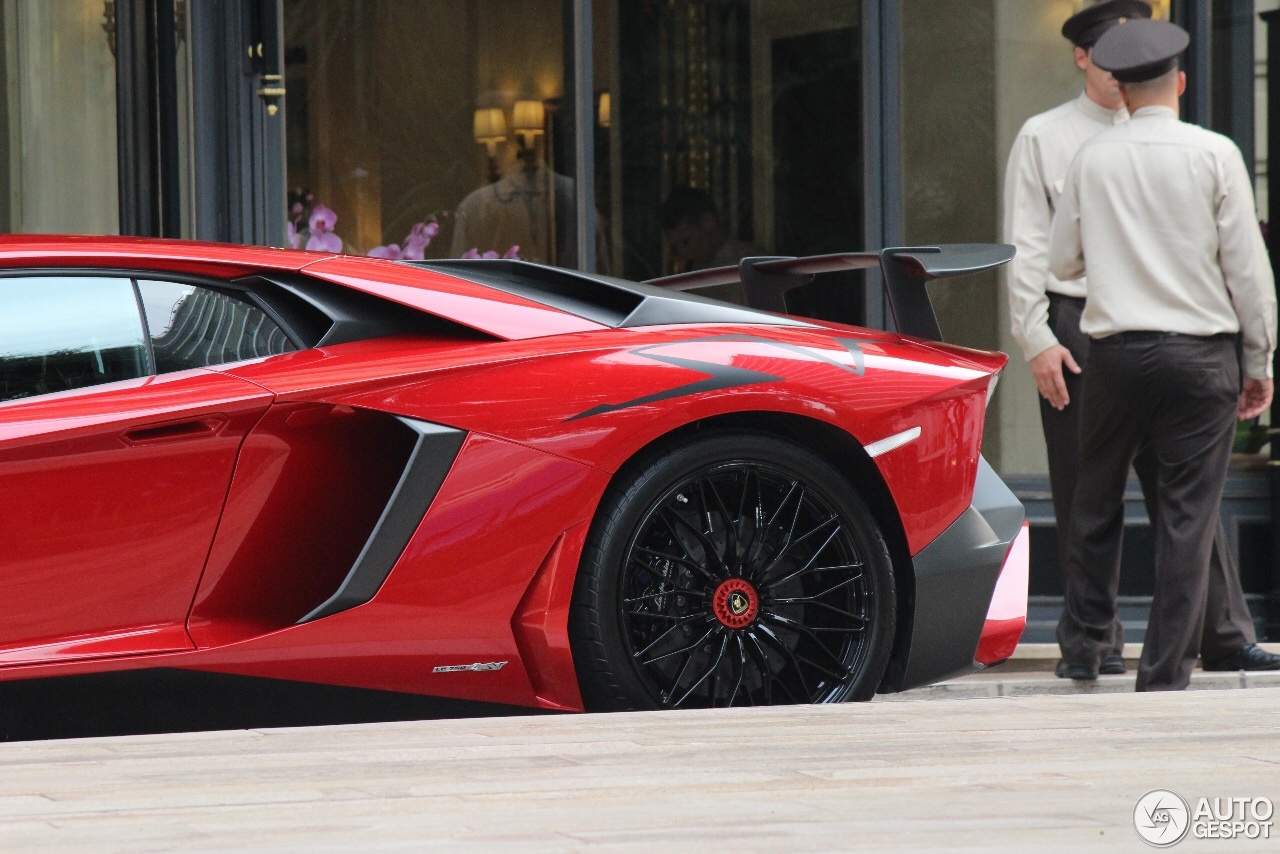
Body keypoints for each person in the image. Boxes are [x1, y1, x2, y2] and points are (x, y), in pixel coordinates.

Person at [1003, 0, 1280, 680]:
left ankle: (1215, 631)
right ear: (1085, 59)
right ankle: (1107, 645)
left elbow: (1061, 252)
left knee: (1131, 500)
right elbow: (1025, 251)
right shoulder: (1051, 137)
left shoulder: (1102, 155)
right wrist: (1036, 336)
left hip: (1115, 338)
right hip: (1102, 332)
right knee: (1130, 498)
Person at [659, 187, 765, 303]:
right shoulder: (698, 268)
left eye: (686, 241)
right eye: (675, 247)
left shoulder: (750, 265)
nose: (683, 253)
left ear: (708, 222)